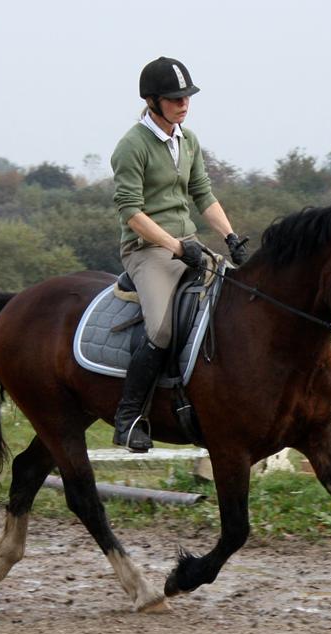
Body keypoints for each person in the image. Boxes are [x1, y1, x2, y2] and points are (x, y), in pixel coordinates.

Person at [110, 56, 248, 452]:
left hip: (188, 244)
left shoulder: (187, 140)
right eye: (174, 98)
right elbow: (131, 213)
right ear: (153, 101)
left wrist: (230, 235)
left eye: (186, 96)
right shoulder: (131, 146)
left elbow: (202, 192)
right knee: (162, 329)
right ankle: (129, 416)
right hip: (147, 251)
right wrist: (173, 246)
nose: (183, 103)